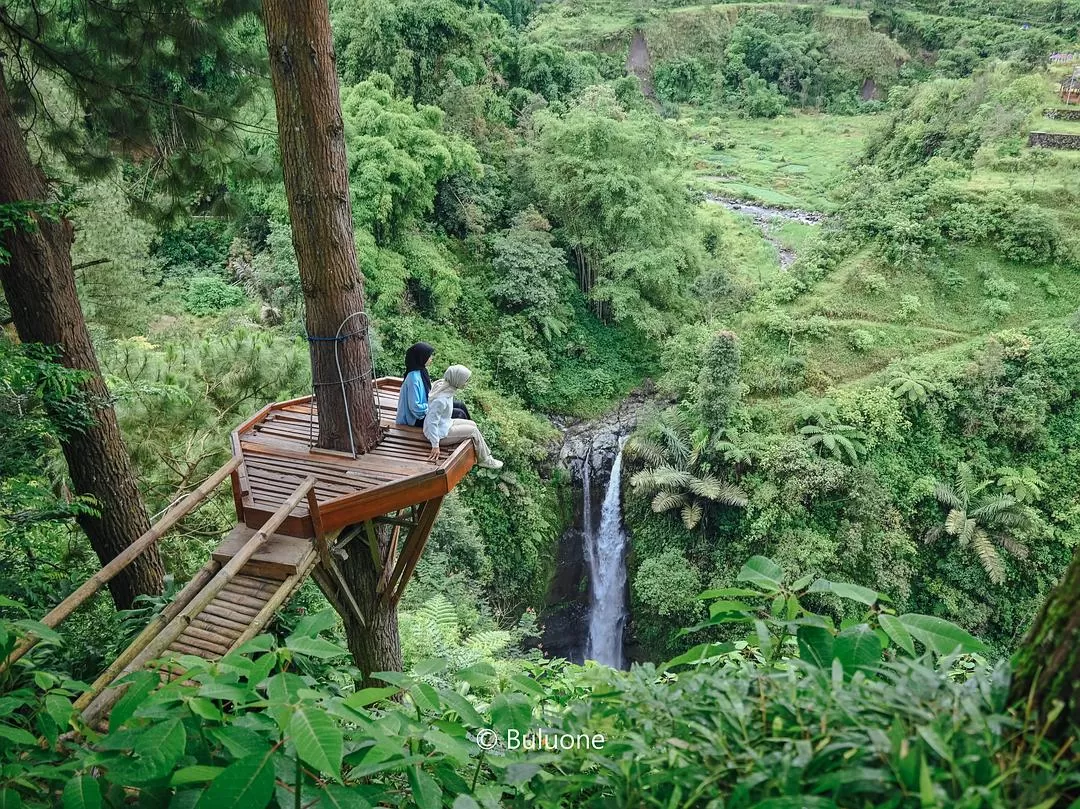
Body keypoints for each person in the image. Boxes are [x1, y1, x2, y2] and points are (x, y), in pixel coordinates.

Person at [423, 365, 503, 470]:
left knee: (473, 424)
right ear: (457, 379)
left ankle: (484, 455)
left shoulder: (446, 386)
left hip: (444, 424)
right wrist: (435, 445)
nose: (466, 384)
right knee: (473, 430)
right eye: (465, 381)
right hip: (439, 434)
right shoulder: (441, 400)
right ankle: (485, 460)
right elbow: (431, 421)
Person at [395, 342, 471, 428]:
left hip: (425, 408)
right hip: (414, 420)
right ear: (421, 357)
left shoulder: (421, 371)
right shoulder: (413, 379)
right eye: (429, 356)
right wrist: (433, 406)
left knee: (460, 405)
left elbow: (428, 392)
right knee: (459, 414)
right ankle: (467, 435)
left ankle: (472, 432)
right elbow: (415, 408)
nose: (431, 358)